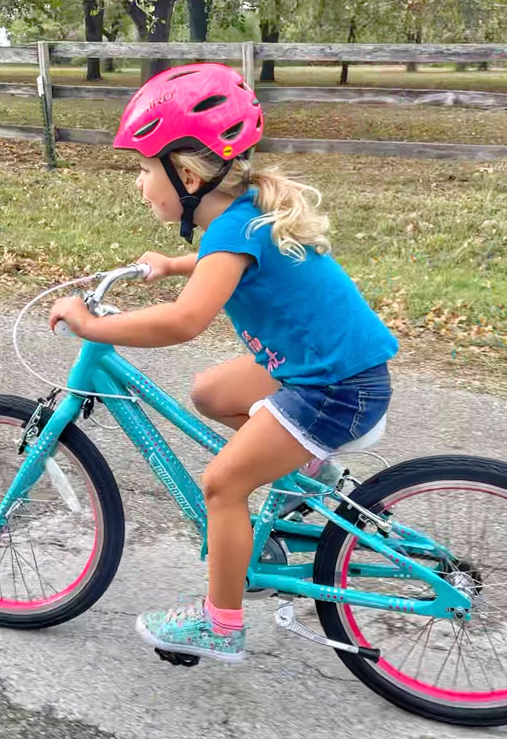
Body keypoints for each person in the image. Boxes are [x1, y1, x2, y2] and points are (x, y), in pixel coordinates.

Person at [49, 63, 397, 664]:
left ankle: (221, 624)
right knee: (211, 391)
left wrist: (93, 325)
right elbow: (228, 258)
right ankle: (307, 474)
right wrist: (172, 262)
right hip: (331, 370)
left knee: (223, 485)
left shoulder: (233, 229)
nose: (138, 183)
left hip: (334, 388)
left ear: (185, 174)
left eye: (142, 167)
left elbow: (184, 322)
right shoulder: (244, 212)